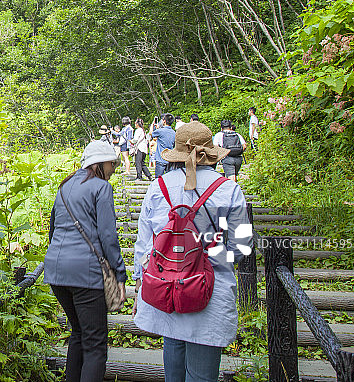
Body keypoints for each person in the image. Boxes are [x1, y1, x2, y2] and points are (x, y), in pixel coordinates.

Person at [131, 122, 251, 382]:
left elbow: (144, 245)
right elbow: (242, 247)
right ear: (211, 154)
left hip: (166, 288)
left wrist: (140, 282)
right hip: (211, 291)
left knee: (173, 363)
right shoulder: (228, 189)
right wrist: (217, 259)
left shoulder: (157, 188)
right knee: (202, 375)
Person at [45, 140, 127, 382]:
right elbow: (108, 237)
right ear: (100, 164)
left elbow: (53, 231)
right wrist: (120, 274)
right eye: (112, 164)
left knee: (79, 333)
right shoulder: (101, 188)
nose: (114, 168)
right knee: (95, 344)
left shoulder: (65, 186)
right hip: (86, 273)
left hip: (56, 272)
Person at [151, 113, 176, 178]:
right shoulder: (174, 132)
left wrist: (153, 125)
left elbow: (151, 133)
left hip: (160, 159)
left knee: (158, 180)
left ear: (164, 121)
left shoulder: (160, 131)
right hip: (169, 159)